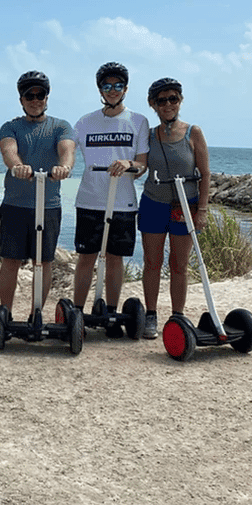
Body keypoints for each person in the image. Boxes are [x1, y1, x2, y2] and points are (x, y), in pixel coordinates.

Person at [72, 62, 149, 317]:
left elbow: (142, 165)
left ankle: (113, 311)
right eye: (107, 86)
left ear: (125, 88)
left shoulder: (138, 121)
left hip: (123, 202)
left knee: (115, 258)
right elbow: (66, 153)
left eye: (117, 86)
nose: (112, 90)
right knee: (86, 257)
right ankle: (78, 312)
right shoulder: (85, 122)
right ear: (100, 90)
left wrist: (129, 163)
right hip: (90, 200)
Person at [0, 71, 75, 318]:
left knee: (43, 262)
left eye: (39, 95)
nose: (34, 99)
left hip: (49, 205)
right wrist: (17, 166)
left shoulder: (60, 126)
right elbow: (9, 150)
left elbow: (67, 149)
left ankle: (36, 313)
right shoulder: (11, 127)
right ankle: (5, 313)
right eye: (29, 95)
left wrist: (65, 167)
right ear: (21, 99)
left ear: (46, 97)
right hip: (15, 205)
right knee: (10, 261)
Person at [138, 77, 210, 339]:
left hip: (185, 204)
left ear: (180, 101)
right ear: (152, 105)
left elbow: (205, 173)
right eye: (162, 100)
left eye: (173, 99)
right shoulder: (148, 136)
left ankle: (177, 315)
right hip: (153, 203)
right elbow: (141, 166)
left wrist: (201, 210)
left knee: (179, 263)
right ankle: (151, 315)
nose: (168, 104)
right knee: (152, 262)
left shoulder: (194, 133)